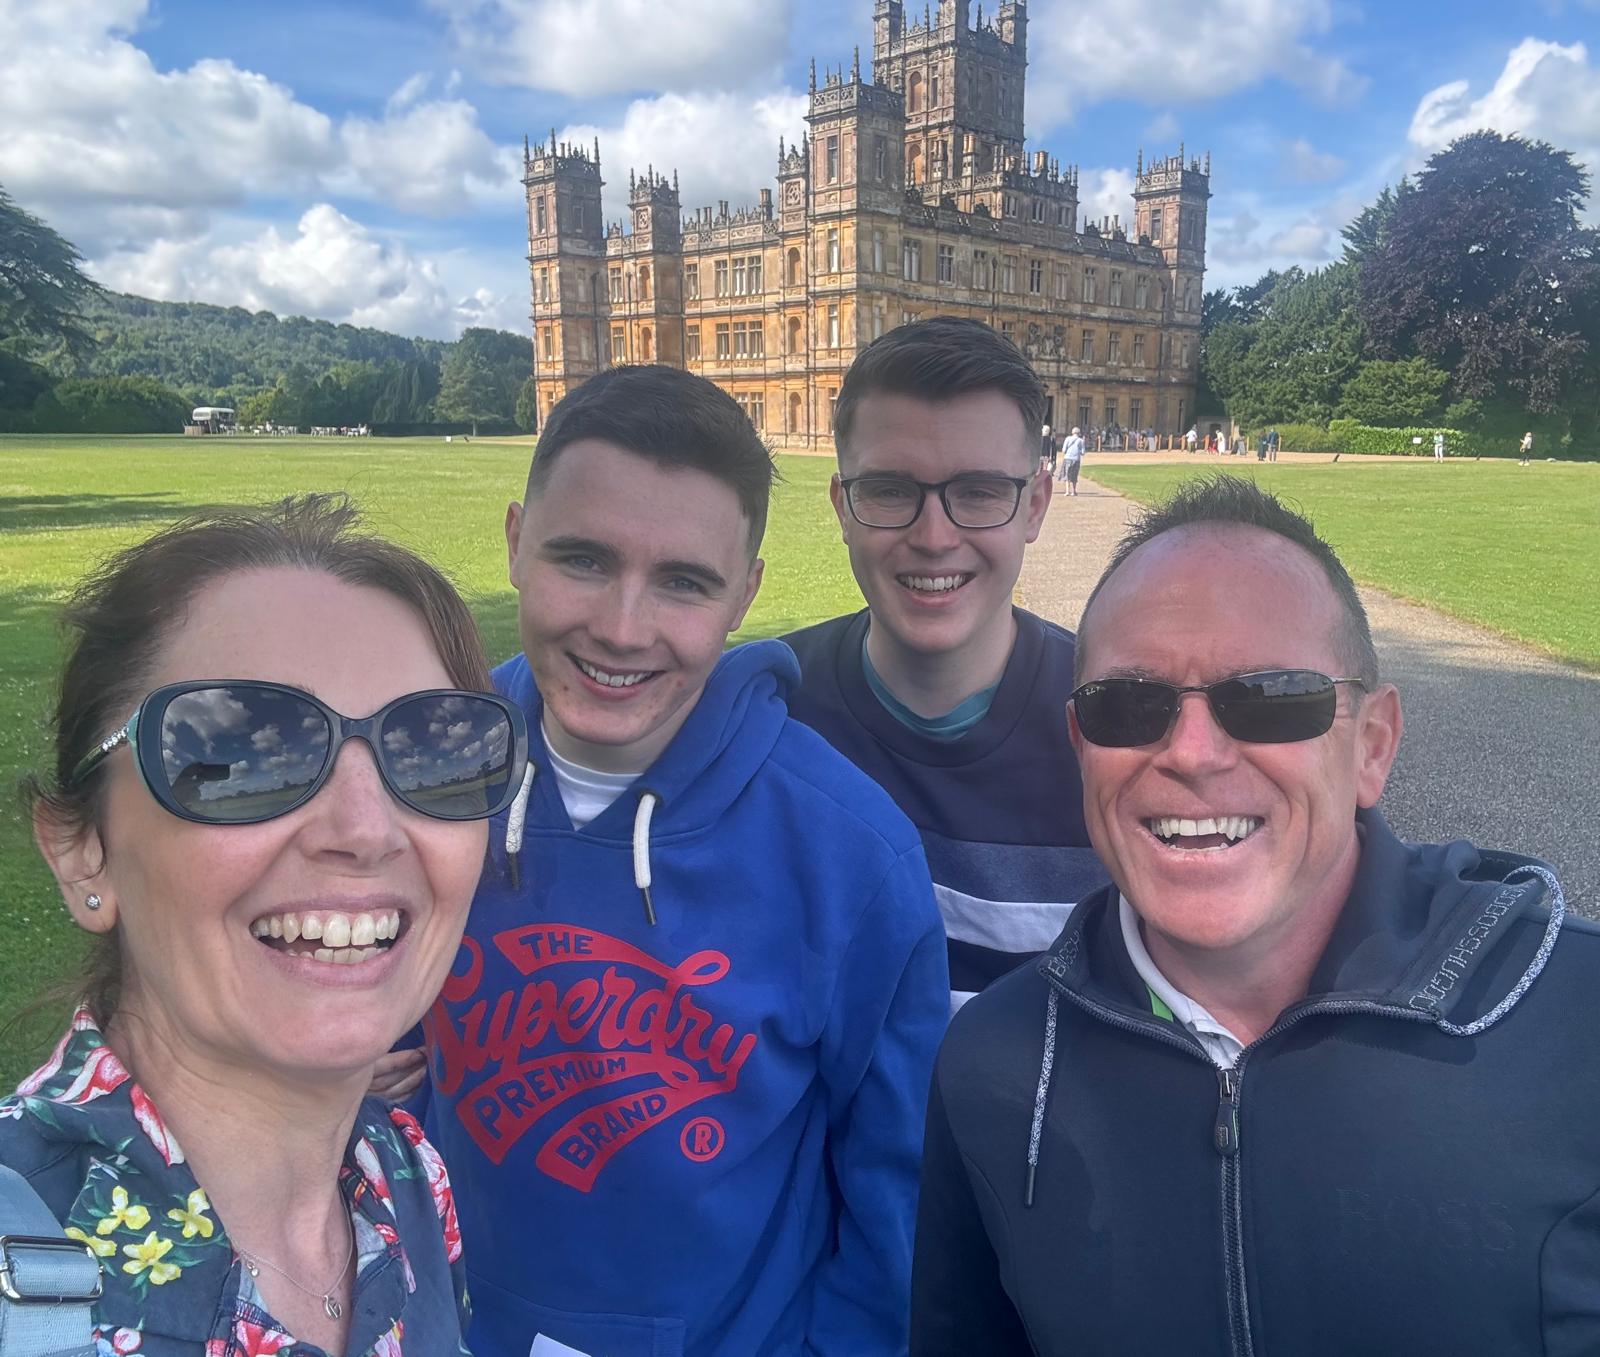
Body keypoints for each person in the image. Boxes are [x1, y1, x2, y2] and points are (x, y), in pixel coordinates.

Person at [911, 475, 1598, 1355]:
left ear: (1373, 747)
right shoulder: (996, 1064)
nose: (1193, 752)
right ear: (1081, 746)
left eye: (1271, 697)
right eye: (1129, 703)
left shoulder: (1576, 1026)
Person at [415, 364, 948, 1357]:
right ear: (514, 540)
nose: (622, 627)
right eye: (581, 558)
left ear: (745, 591)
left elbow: (895, 1192)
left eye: (683, 582)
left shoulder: (851, 854)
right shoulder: (424, 773)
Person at [2, 496, 520, 1356]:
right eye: (240, 756)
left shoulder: (403, 1178)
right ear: (83, 852)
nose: (364, 829)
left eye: (434, 750)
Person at [785, 318, 1105, 1010]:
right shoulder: (759, 709)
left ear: (1036, 505)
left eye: (981, 491)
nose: (934, 537)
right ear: (843, 506)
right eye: (891, 490)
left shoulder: (1124, 726)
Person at [1060, 425, 1085, 496]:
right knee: (1074, 475)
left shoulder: (1068, 439)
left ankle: (1067, 491)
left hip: (1068, 458)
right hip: (1076, 459)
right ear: (1079, 433)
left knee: (1067, 474)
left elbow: (1064, 450)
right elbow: (1083, 452)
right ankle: (1074, 491)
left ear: (1072, 432)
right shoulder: (1081, 441)